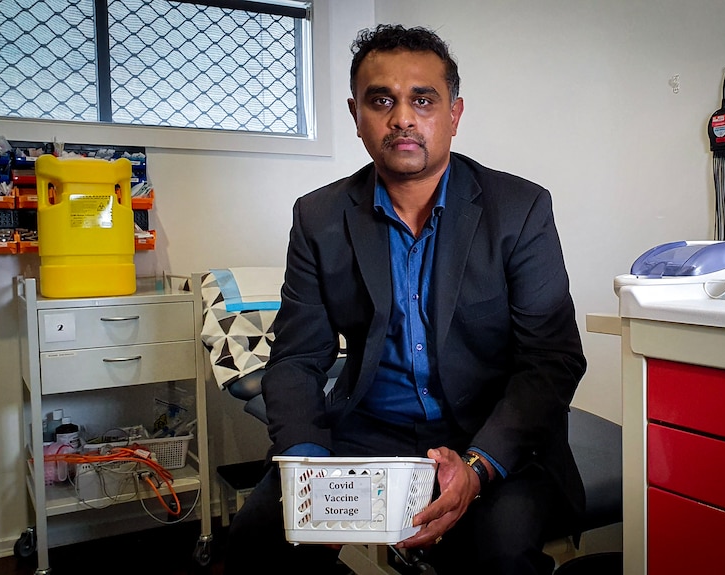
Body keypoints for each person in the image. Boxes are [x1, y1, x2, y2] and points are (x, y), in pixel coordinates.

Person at [224, 24, 587, 575]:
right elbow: (298, 360)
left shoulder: (520, 210)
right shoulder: (319, 218)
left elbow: (552, 360)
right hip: (368, 429)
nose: (402, 118)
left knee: (496, 554)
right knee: (257, 541)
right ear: (356, 114)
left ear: (454, 113)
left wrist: (478, 466)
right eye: (381, 100)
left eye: (423, 99)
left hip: (488, 431)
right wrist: (308, 467)